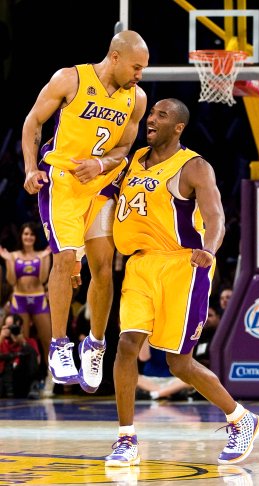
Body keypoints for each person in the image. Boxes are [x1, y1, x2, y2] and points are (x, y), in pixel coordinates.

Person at [105, 98, 259, 467]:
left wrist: (209, 248)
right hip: (140, 264)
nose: (152, 119)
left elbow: (216, 216)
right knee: (127, 344)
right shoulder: (131, 160)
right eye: (152, 113)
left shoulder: (194, 167)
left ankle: (241, 418)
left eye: (161, 115)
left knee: (180, 364)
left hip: (184, 266)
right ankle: (126, 438)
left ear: (178, 127)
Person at [21, 30, 149, 393]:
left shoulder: (136, 99)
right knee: (64, 261)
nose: (140, 75)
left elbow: (124, 147)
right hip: (61, 179)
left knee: (103, 268)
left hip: (100, 183)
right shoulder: (70, 78)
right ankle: (59, 346)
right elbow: (33, 122)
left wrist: (101, 163)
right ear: (115, 57)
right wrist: (31, 169)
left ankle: (95, 344)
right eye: (136, 67)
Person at [0, 221, 53, 397]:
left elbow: (44, 279)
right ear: (21, 237)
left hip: (38, 298)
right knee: (25, 340)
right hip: (19, 299)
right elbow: (12, 281)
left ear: (35, 237)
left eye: (31, 234)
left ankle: (50, 381)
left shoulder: (42, 254)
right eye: (25, 234)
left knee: (48, 341)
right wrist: (8, 262)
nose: (28, 237)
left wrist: (46, 258)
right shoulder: (12, 256)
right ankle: (29, 382)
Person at [0, 313, 40, 398]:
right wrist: (1, 337)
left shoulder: (30, 342)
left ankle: (34, 386)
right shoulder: (2, 341)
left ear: (21, 327)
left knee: (31, 352)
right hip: (5, 379)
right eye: (9, 327)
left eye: (14, 326)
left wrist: (23, 343)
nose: (12, 329)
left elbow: (37, 361)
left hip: (23, 379)